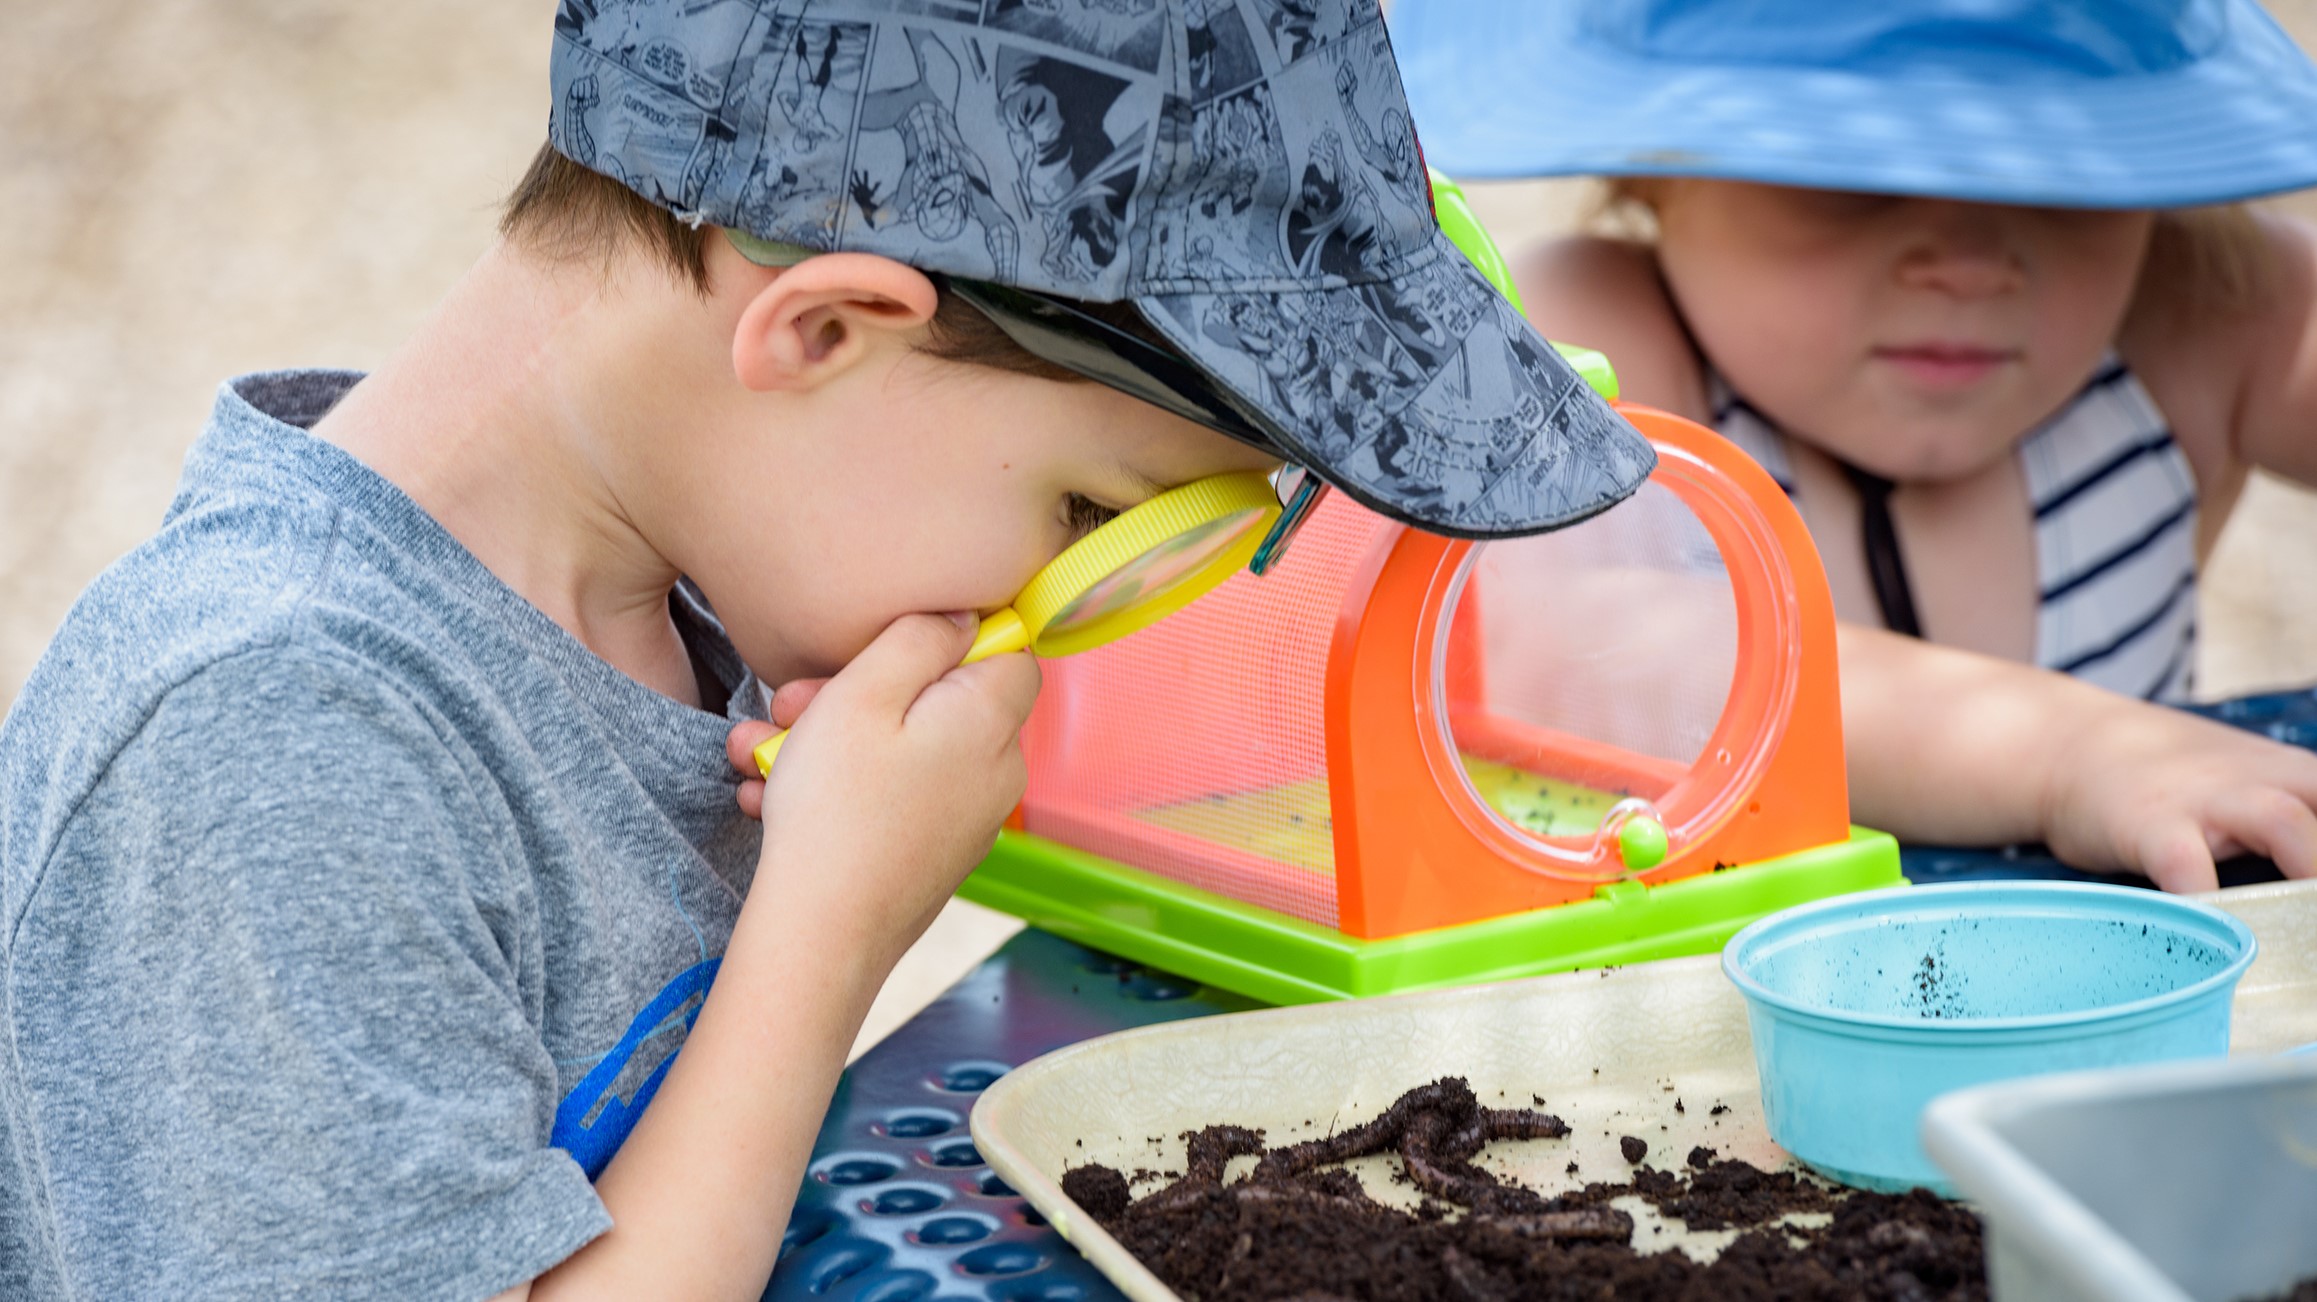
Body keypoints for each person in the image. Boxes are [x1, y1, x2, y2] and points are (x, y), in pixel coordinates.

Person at [0, 1, 1655, 1297]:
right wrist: (827, 927)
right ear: (826, 328)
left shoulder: (675, 587)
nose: (1071, 609)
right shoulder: (280, 739)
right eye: (1091, 514)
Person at [1392, 0, 2317, 892]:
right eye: (1851, 175)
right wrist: (2073, 752)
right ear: (1653, 171)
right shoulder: (1610, 327)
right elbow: (1559, 641)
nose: (1964, 262)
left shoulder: (2187, 309)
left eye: (2053, 173)